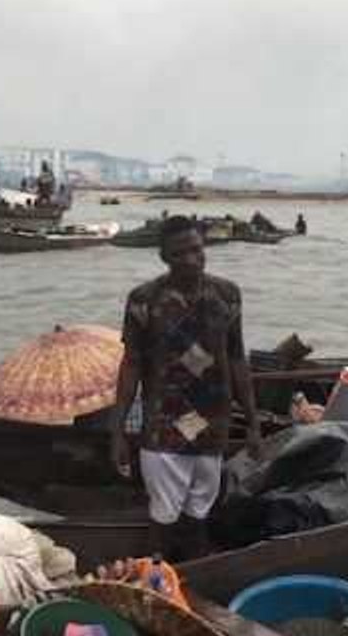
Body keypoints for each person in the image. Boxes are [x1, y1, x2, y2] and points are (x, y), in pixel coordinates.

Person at [110, 215, 261, 561]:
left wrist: (252, 423)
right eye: (179, 254)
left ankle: (194, 577)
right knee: (162, 519)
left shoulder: (227, 295)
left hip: (213, 422)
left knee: (199, 515)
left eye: (196, 250)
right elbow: (131, 364)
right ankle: (154, 584)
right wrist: (117, 431)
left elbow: (237, 359)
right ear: (164, 257)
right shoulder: (144, 301)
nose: (191, 259)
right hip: (164, 426)